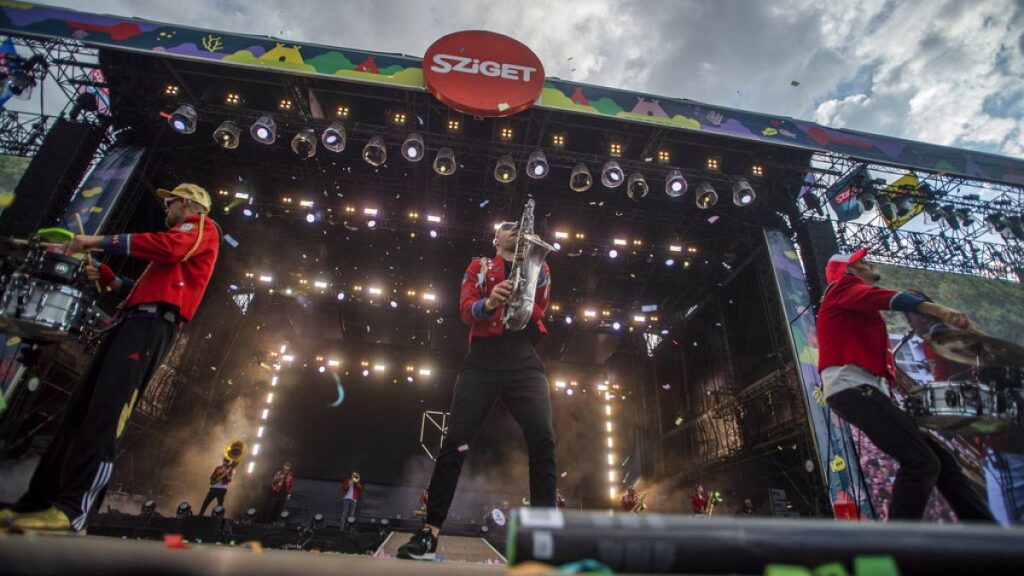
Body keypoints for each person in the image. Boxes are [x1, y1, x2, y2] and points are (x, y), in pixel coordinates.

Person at [2, 183, 219, 531]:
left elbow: (169, 249)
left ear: (185, 204)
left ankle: (74, 510)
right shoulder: (177, 246)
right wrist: (111, 280)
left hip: (151, 327)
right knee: (79, 413)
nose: (165, 209)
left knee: (107, 413)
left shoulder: (201, 229)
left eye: (170, 203)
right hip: (133, 321)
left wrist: (98, 241)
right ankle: (39, 501)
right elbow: (149, 285)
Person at [398, 218, 555, 561]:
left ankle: (545, 540)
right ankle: (429, 533)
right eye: (507, 226)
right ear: (495, 238)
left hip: (524, 360)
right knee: (456, 441)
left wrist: (530, 281)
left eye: (519, 226)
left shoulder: (540, 268)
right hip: (482, 360)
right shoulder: (478, 266)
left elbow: (540, 306)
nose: (515, 229)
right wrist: (491, 302)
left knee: (543, 440)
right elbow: (466, 310)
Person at [817, 248, 994, 522]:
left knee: (942, 462)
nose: (869, 263)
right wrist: (937, 309)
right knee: (921, 462)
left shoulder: (854, 308)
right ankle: (898, 544)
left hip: (864, 392)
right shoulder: (843, 288)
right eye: (862, 261)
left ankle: (987, 532)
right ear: (849, 272)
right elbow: (880, 297)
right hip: (853, 389)